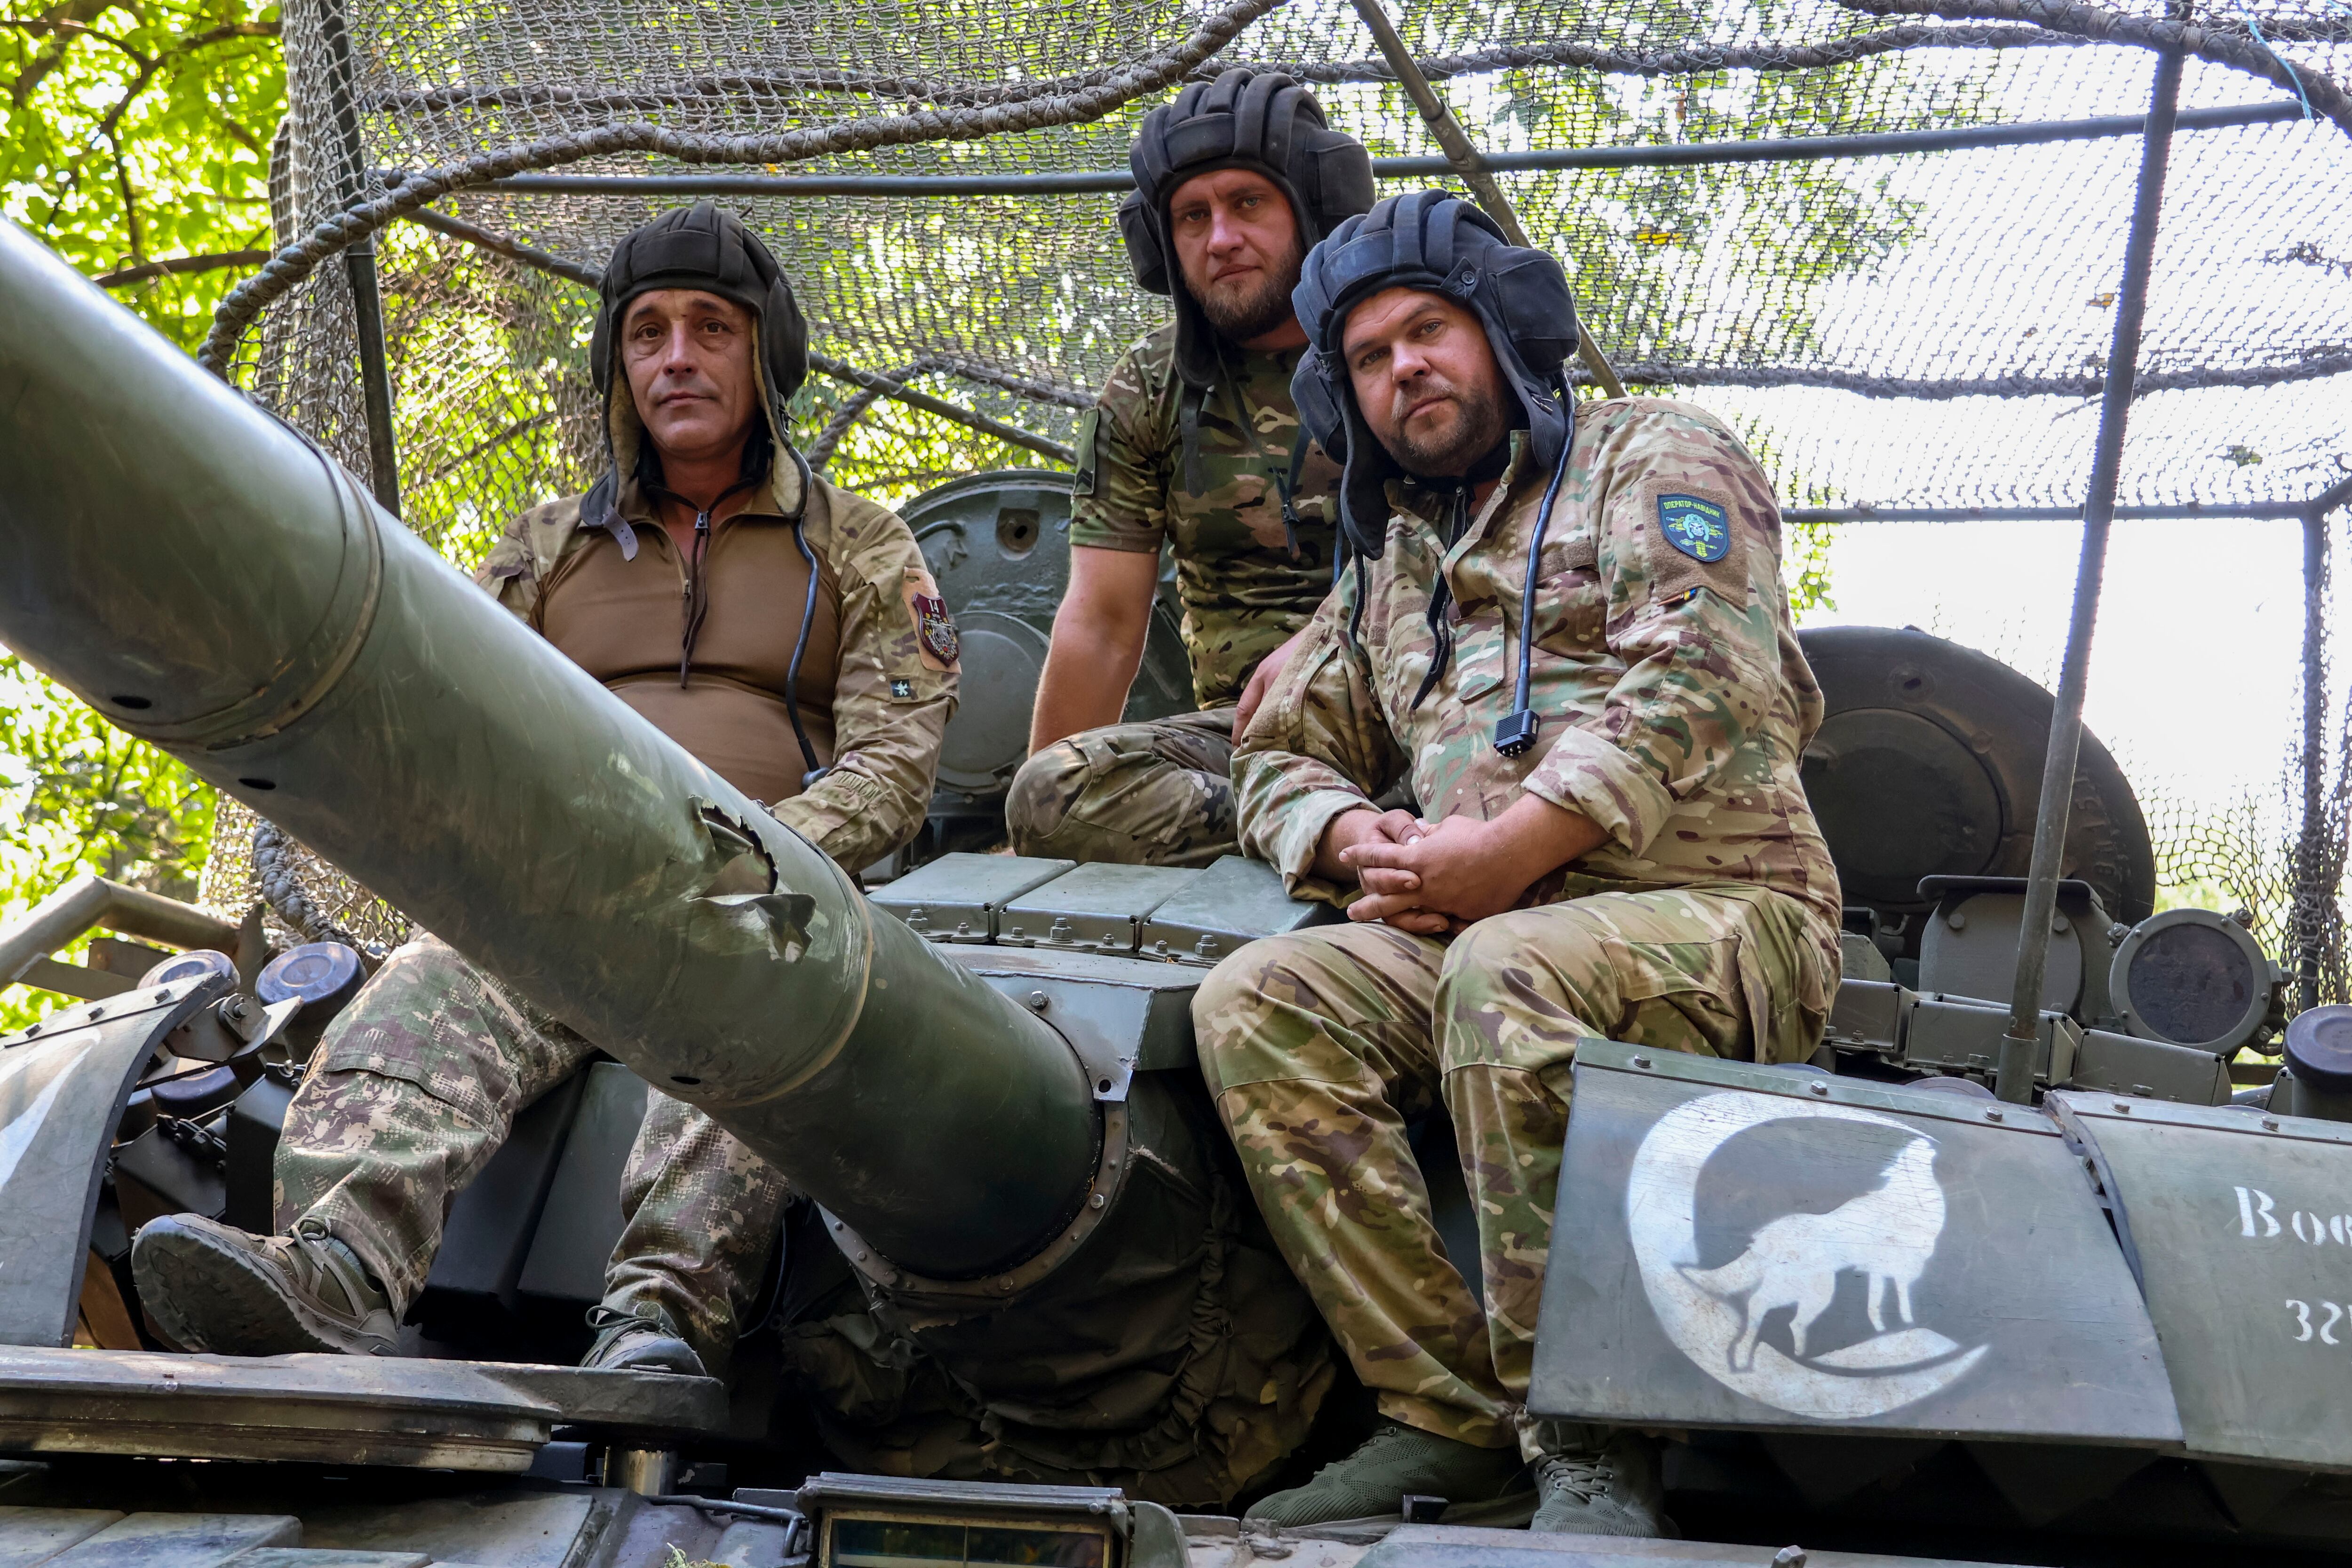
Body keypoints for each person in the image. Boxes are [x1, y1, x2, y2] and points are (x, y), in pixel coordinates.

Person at [130, 204, 959, 1382]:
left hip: (762, 906)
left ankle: (657, 1314)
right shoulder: (544, 550)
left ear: (764, 351)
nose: (677, 356)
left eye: (712, 329)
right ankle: (339, 1271)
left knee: (764, 1021)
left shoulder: (863, 547)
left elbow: (893, 768)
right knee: (421, 989)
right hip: (556, 898)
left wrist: (741, 863)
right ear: (618, 366)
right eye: (649, 332)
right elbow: (444, 726)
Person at [1192, 191, 1842, 1536]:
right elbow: (1272, 746)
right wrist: (1334, 828)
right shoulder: (1390, 561)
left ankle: (1595, 1437)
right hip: (1477, 926)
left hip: (1725, 916)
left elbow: (1713, 674)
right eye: (1369, 359)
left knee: (1502, 965)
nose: (1403, 370)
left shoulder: (1649, 456)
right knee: (1258, 999)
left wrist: (1512, 847)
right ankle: (1446, 1415)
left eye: (1428, 332)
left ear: (1500, 333)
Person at [1004, 67, 1372, 867]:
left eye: (1249, 204)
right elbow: (1101, 623)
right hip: (1239, 744)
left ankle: (1346, 829)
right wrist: (1033, 844)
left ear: (1310, 209)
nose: (1221, 239)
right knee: (1048, 793)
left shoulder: (1395, 350)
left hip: (1418, 709)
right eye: (1192, 216)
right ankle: (1330, 830)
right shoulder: (1149, 386)